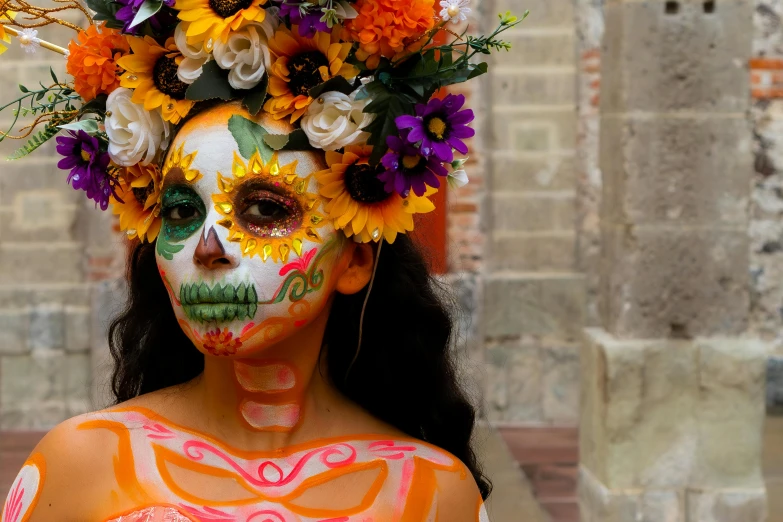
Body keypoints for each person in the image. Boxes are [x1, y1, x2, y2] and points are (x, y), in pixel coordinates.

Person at [0, 1, 523, 519]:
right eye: (182, 210)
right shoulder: (78, 467)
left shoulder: (433, 494)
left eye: (266, 210)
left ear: (356, 261)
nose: (208, 247)